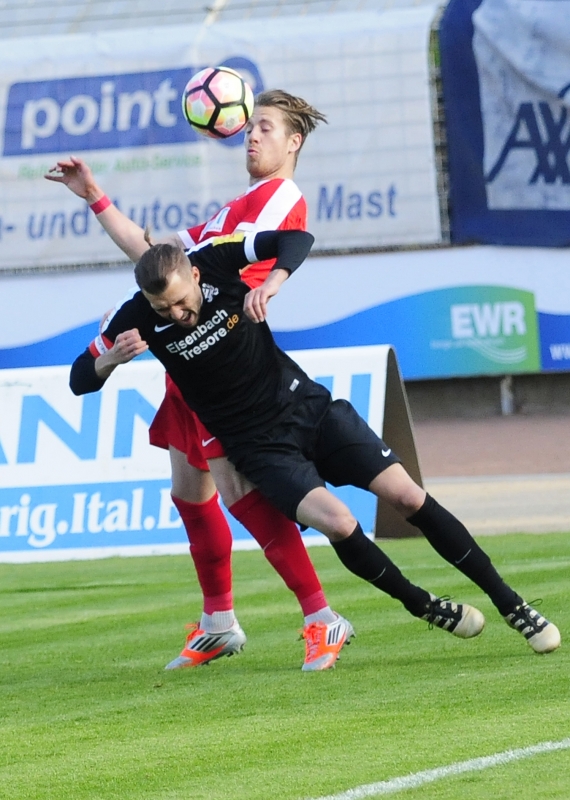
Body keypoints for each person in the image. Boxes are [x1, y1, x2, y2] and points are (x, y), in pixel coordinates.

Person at [70, 228, 562, 660]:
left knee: (409, 497)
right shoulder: (135, 315)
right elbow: (79, 378)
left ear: (194, 276)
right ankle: (421, 604)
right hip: (259, 448)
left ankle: (512, 605)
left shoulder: (215, 259)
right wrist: (110, 360)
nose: (177, 314)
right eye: (164, 309)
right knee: (340, 522)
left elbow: (294, 239)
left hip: (309, 409)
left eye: (181, 301)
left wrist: (271, 283)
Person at [47, 90, 355, 672]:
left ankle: (321, 616)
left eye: (265, 127)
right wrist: (95, 197)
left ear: (294, 142)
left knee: (241, 494)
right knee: (190, 494)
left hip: (218, 360)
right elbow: (158, 258)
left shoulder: (278, 197)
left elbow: (234, 262)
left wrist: (265, 282)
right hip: (183, 358)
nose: (251, 135)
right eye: (250, 126)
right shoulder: (236, 208)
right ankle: (219, 624)